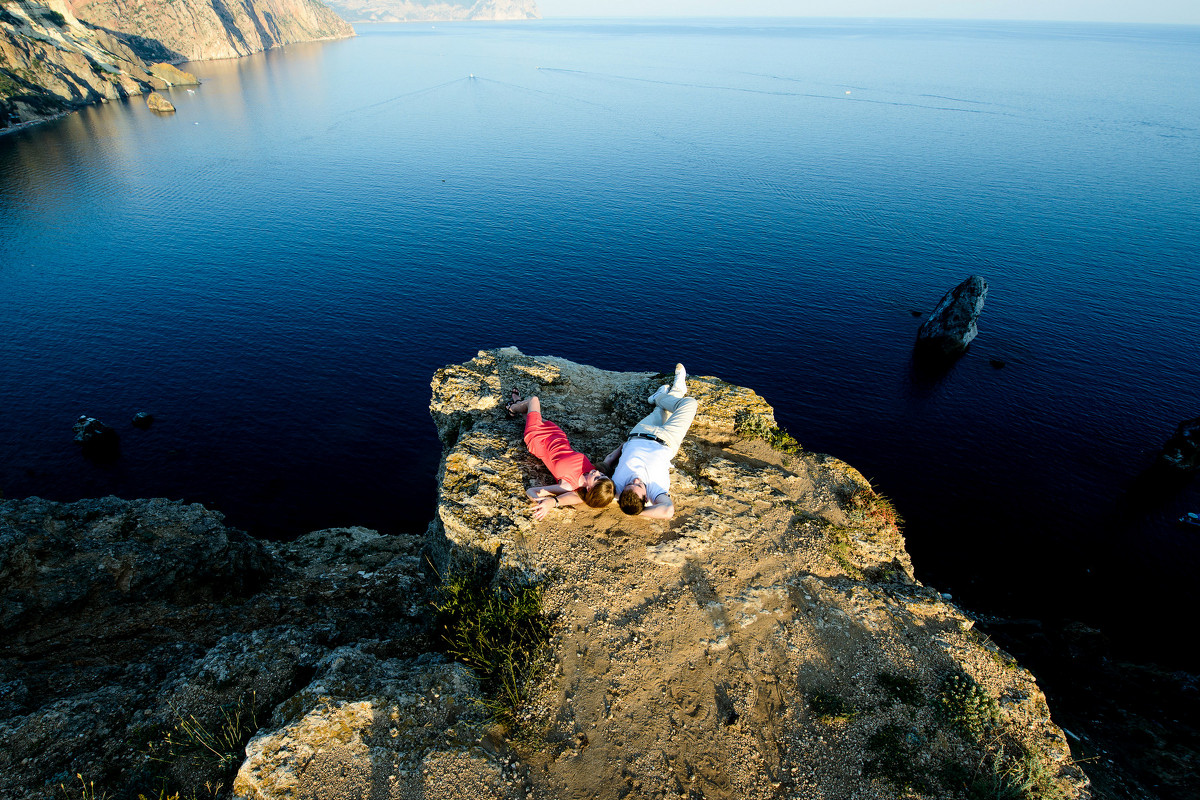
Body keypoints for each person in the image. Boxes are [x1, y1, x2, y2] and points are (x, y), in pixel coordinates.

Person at [604, 363, 697, 519]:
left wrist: (620, 449)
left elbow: (603, 470)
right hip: (668, 438)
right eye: (639, 485)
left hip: (640, 432)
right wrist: (639, 512)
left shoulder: (617, 489)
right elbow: (667, 511)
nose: (635, 480)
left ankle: (660, 397)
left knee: (661, 410)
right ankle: (670, 393)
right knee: (689, 404)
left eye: (630, 484)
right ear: (646, 499)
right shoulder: (655, 492)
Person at [507, 392, 615, 521]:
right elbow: (609, 459)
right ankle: (518, 403)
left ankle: (512, 408)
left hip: (537, 438)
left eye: (597, 478)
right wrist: (626, 445)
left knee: (534, 401)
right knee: (530, 414)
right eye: (602, 475)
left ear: (589, 488)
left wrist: (545, 503)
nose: (597, 472)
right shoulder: (591, 469)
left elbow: (532, 491)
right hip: (556, 433)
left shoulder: (568, 486)